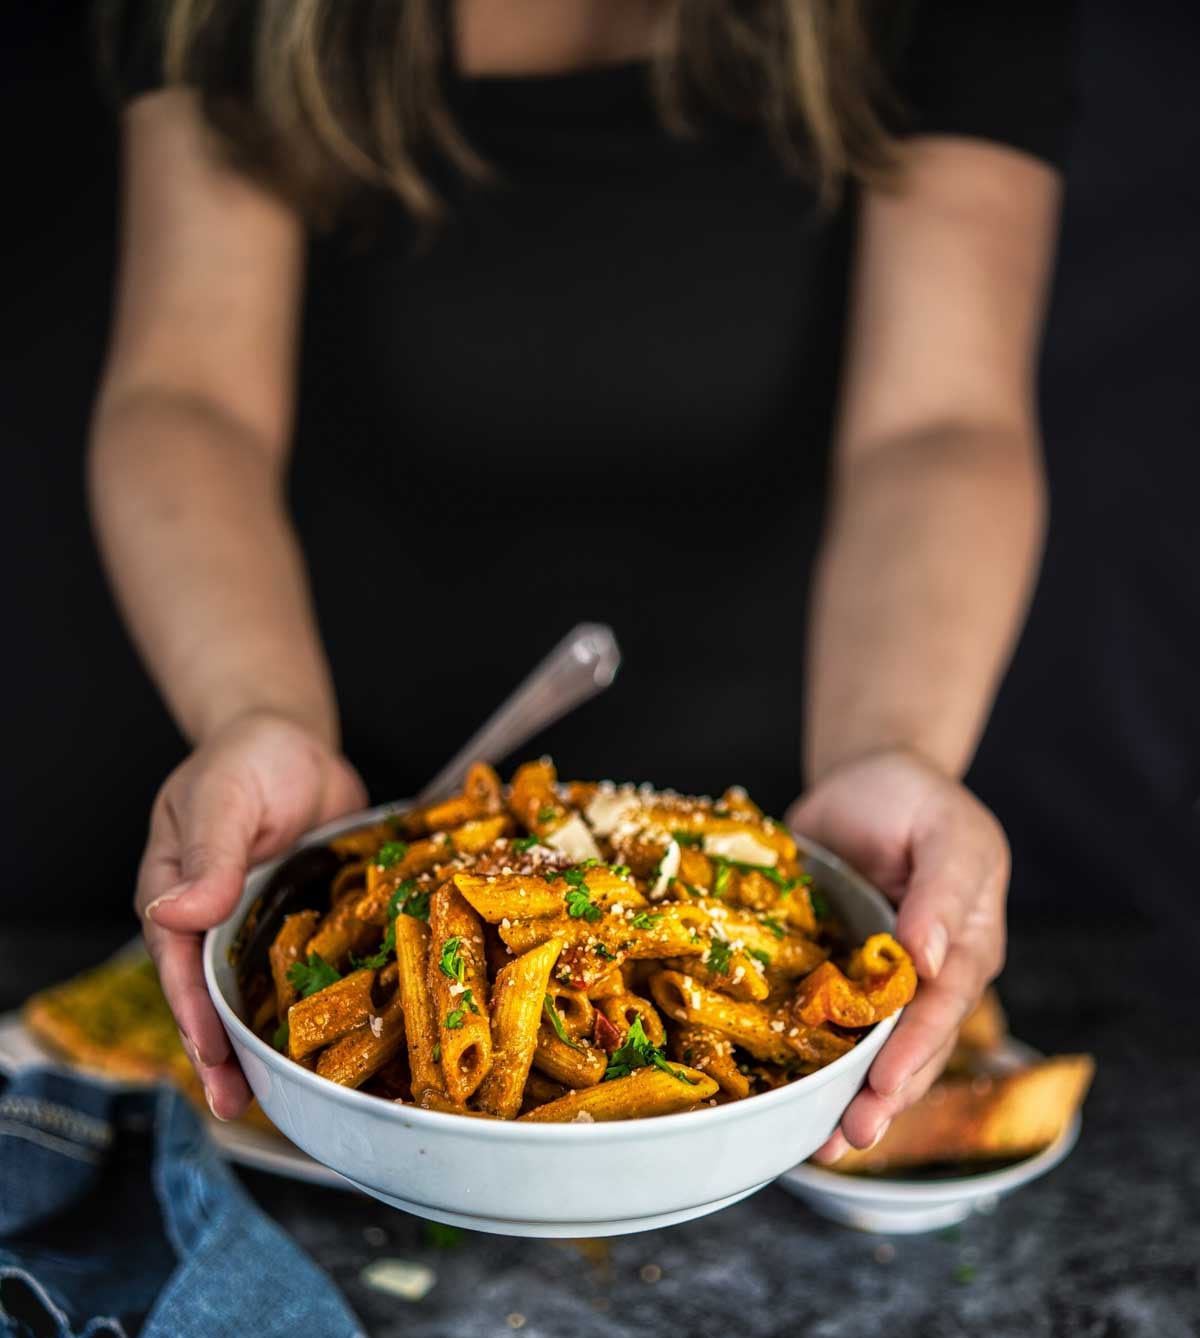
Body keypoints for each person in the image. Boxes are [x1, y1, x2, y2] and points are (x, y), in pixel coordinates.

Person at [90, 0, 1071, 1158]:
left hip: (788, 811)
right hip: (336, 799)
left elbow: (939, 424)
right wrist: (256, 710)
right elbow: (189, 396)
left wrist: (894, 745)